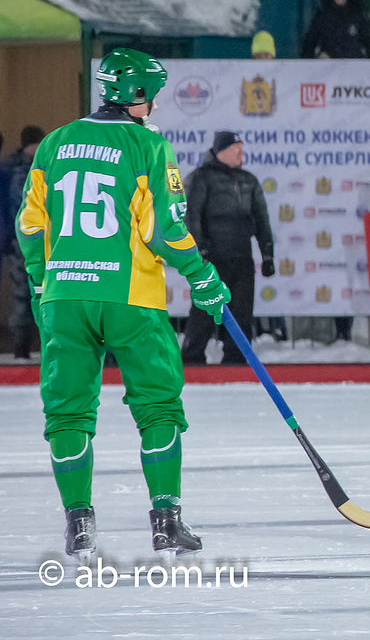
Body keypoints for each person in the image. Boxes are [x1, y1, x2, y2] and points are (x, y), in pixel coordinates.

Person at [17, 49, 229, 561]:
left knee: (68, 412)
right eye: (153, 94)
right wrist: (201, 275)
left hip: (65, 296)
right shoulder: (148, 144)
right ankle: (166, 522)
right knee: (158, 405)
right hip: (130, 298)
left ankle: (79, 526)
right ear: (138, 96)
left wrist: (43, 284)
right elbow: (163, 228)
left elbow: (29, 224)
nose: (155, 103)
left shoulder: (54, 142)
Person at [178, 130, 273, 366]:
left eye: (242, 148)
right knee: (203, 311)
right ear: (222, 151)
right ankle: (191, 359)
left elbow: (262, 219)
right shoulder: (200, 178)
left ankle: (236, 359)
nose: (242, 153)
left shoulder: (249, 181)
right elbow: (191, 216)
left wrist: (267, 254)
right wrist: (199, 251)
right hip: (211, 259)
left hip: (242, 257)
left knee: (242, 312)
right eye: (236, 149)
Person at [4, 125, 45, 359]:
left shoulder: (13, 167)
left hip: (19, 240)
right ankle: (23, 347)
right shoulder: (29, 169)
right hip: (26, 241)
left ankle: (24, 347)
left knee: (27, 293)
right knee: (27, 293)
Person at [301, 0, 370, 58]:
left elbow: (368, 38)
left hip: (353, 60)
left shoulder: (357, 13)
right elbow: (311, 38)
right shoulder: (323, 14)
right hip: (329, 60)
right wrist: (309, 59)